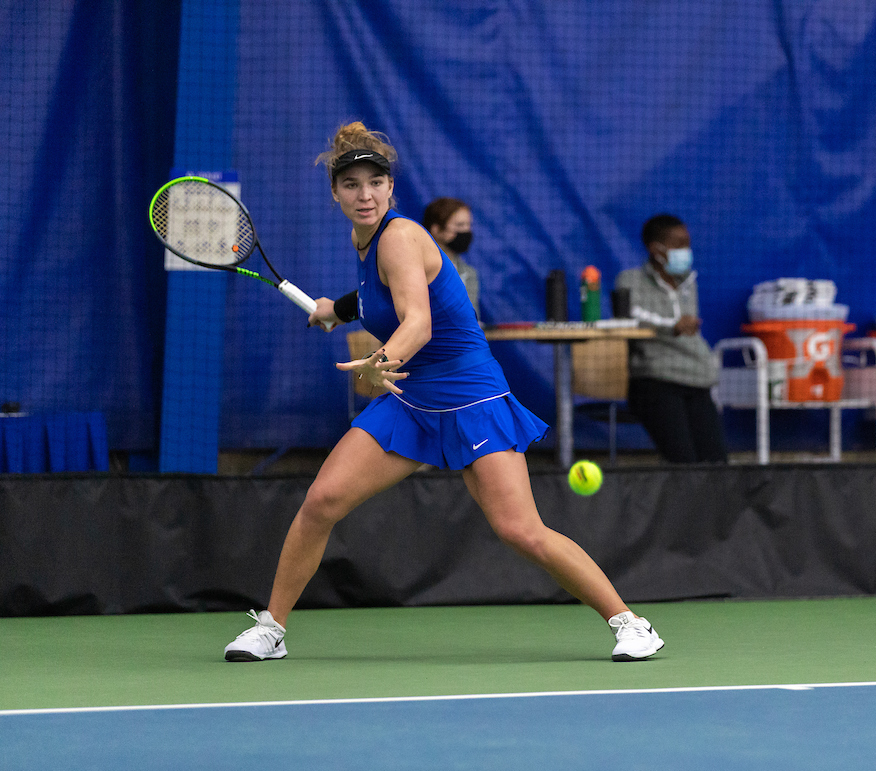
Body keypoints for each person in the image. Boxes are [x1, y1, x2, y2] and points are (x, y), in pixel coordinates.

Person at [224, 122, 663, 663]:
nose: (364, 194)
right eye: (351, 184)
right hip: (413, 397)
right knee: (321, 502)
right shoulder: (363, 238)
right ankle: (271, 629)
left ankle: (631, 623)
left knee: (520, 530)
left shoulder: (401, 236)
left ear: (391, 189)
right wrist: (334, 311)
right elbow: (375, 296)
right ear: (335, 193)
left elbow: (418, 323)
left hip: (469, 393)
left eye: (374, 182)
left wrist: (379, 362)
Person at [615, 214, 728, 464]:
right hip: (656, 381)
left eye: (687, 243)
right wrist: (672, 326)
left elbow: (690, 334)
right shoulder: (630, 280)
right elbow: (631, 318)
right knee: (684, 464)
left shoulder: (688, 282)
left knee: (716, 464)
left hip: (697, 381)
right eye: (679, 244)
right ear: (656, 249)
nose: (686, 251)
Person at [423, 197, 481, 320]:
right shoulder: (416, 268)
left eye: (468, 225)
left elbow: (472, 319)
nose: (466, 230)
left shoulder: (468, 273)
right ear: (436, 229)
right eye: (460, 225)